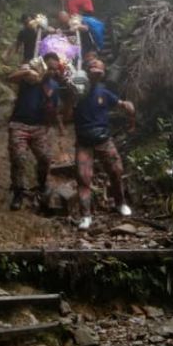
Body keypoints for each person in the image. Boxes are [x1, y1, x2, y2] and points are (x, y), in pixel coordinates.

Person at [73, 59, 135, 230]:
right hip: (84, 142)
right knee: (83, 177)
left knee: (116, 171)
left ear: (103, 74)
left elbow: (121, 104)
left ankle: (120, 203)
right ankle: (85, 215)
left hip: (103, 139)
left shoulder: (104, 92)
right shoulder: (77, 91)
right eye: (92, 69)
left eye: (99, 71)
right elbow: (65, 106)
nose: (95, 72)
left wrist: (128, 107)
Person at [6, 53, 61, 210]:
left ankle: (42, 184)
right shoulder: (29, 79)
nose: (51, 72)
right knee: (19, 158)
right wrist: (26, 72)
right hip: (19, 124)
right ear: (43, 65)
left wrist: (53, 125)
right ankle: (18, 192)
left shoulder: (53, 86)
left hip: (39, 127)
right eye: (49, 68)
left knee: (45, 157)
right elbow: (10, 78)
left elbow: (55, 109)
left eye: (54, 69)